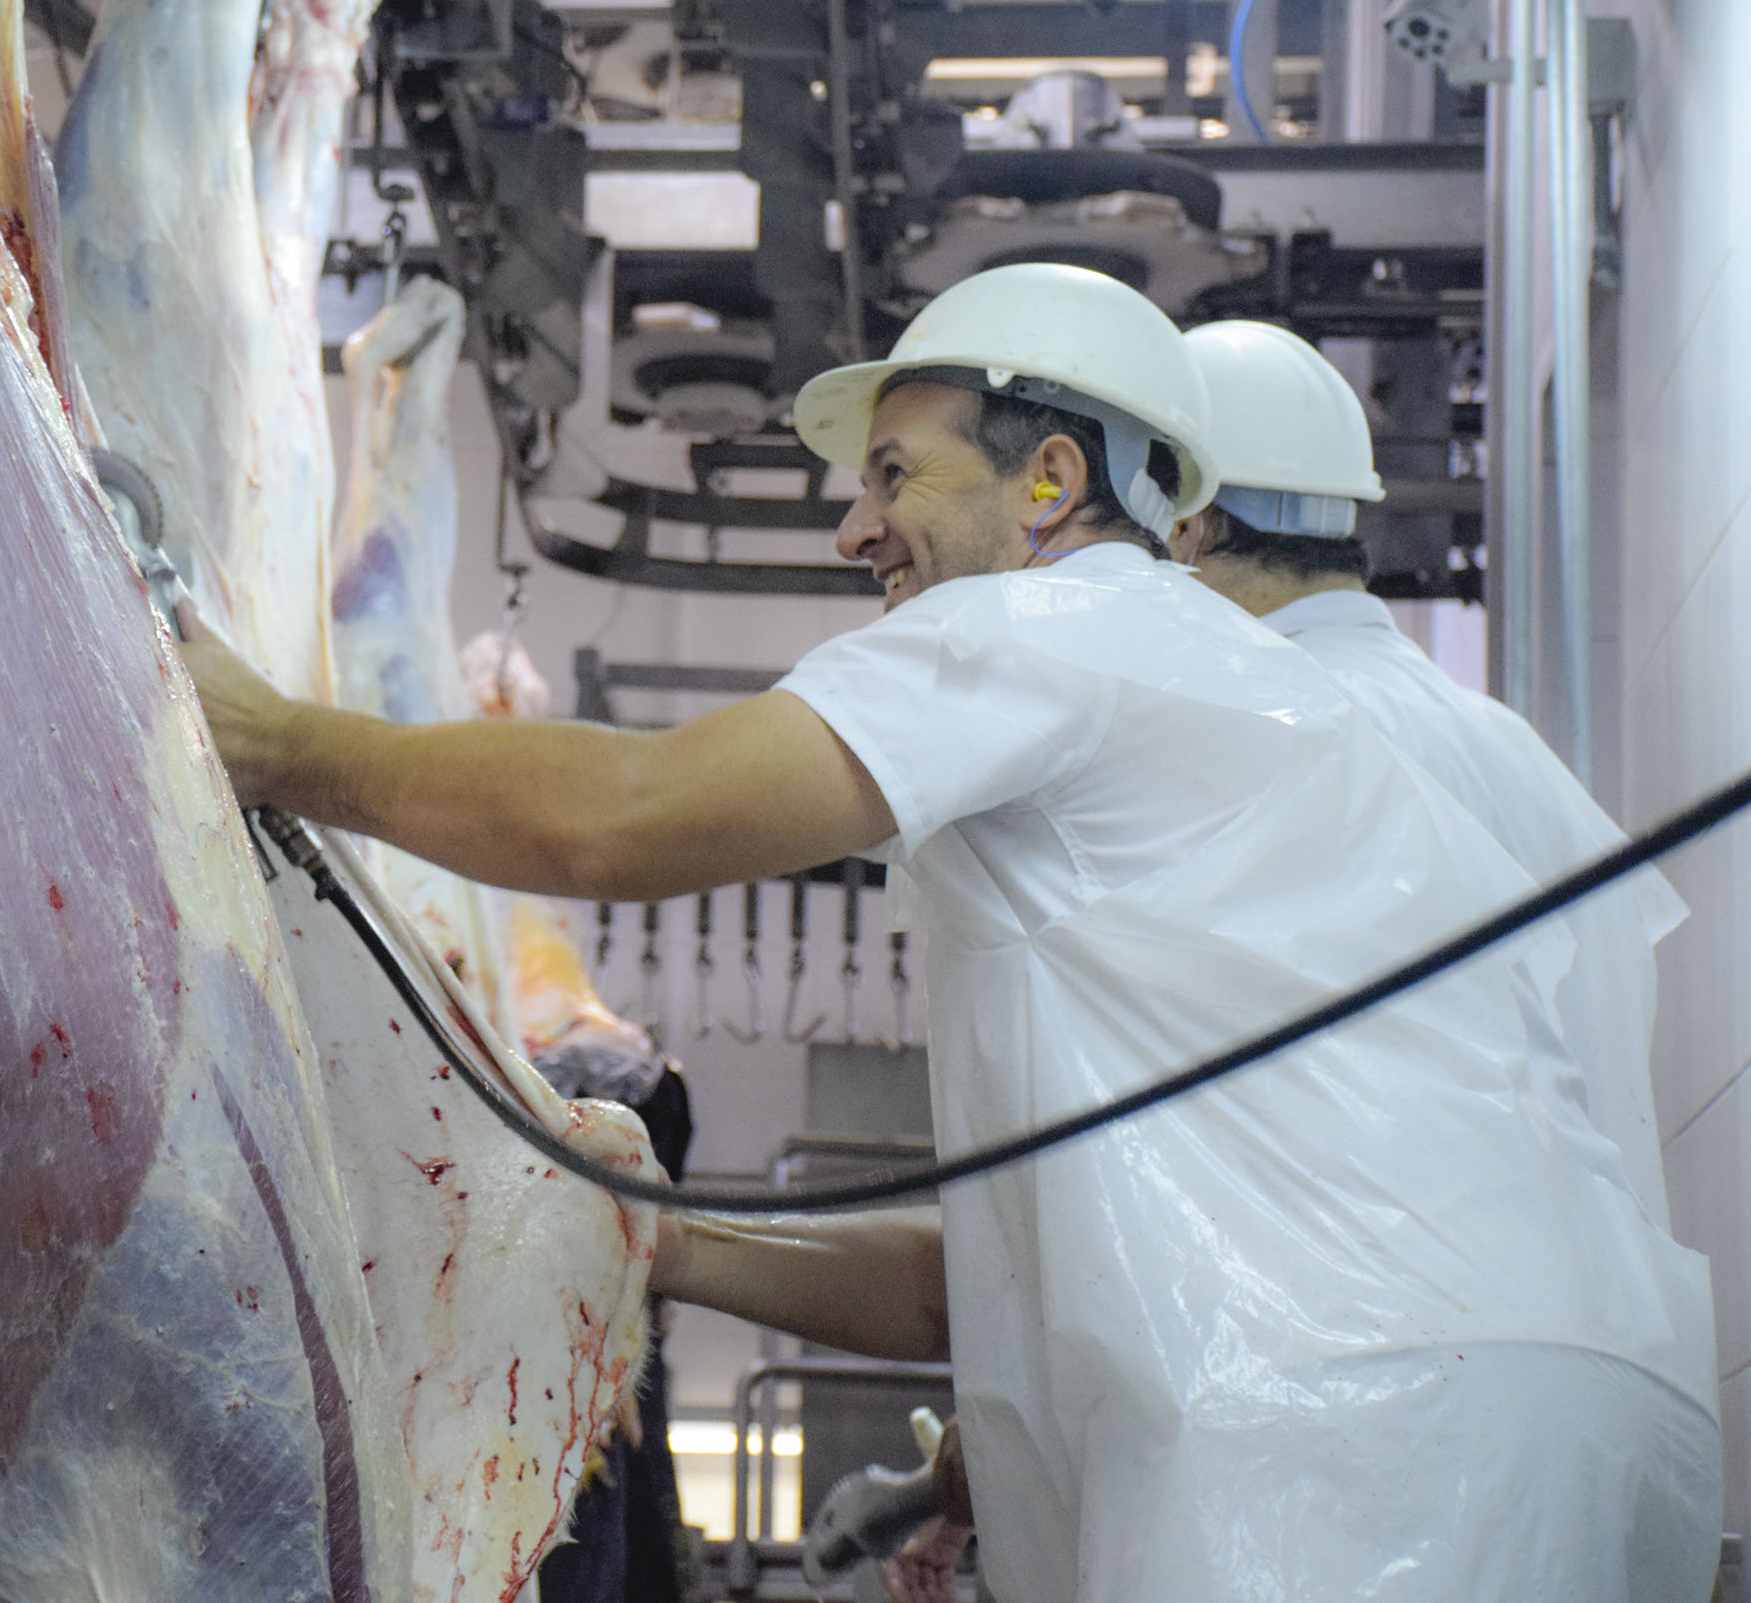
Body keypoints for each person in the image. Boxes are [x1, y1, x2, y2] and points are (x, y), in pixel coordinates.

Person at [178, 263, 1717, 1601]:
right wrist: (658, 1241)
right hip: (1601, 1437)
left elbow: (628, 817)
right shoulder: (1297, 728)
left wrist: (273, 740)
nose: (856, 529)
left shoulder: (1068, 623)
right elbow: (961, 1283)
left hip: (1333, 1446)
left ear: (1050, 481)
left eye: (895, 474)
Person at [1169, 319, 1687, 1227]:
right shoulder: (1505, 745)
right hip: (1591, 1287)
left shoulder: (1274, 737)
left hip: (1401, 1295)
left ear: (1186, 532)